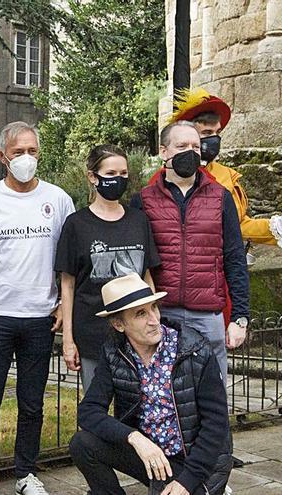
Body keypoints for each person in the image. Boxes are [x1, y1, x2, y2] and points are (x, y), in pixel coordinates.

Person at [0, 121, 75, 495]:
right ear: (2, 157)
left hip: (40, 317)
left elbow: (67, 259)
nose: (26, 159)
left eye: (32, 151)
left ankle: (27, 473)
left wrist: (62, 303)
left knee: (31, 403)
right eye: (18, 153)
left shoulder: (58, 200)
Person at [69, 273, 232, 495]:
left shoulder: (194, 350)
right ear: (118, 324)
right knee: (82, 443)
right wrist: (135, 439)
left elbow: (217, 424)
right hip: (152, 457)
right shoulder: (115, 354)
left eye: (154, 308)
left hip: (196, 466)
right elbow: (88, 411)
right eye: (140, 314)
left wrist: (187, 482)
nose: (154, 320)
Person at [129, 121, 249, 384]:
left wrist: (240, 316)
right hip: (161, 314)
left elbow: (234, 257)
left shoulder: (220, 197)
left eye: (196, 146)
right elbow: (136, 263)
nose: (191, 152)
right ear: (164, 152)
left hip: (208, 315)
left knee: (213, 397)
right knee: (163, 394)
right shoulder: (144, 200)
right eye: (182, 146)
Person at [55, 145, 160, 391]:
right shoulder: (76, 225)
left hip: (135, 333)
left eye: (123, 174)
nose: (118, 179)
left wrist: (154, 320)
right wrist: (68, 340)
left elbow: (147, 276)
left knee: (138, 405)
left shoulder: (138, 220)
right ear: (93, 176)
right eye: (111, 173)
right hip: (92, 334)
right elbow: (67, 285)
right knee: (95, 408)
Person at [170, 88, 282, 248]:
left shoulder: (225, 176)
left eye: (217, 132)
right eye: (206, 132)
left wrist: (280, 224)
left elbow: (239, 226)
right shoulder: (164, 179)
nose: (214, 139)